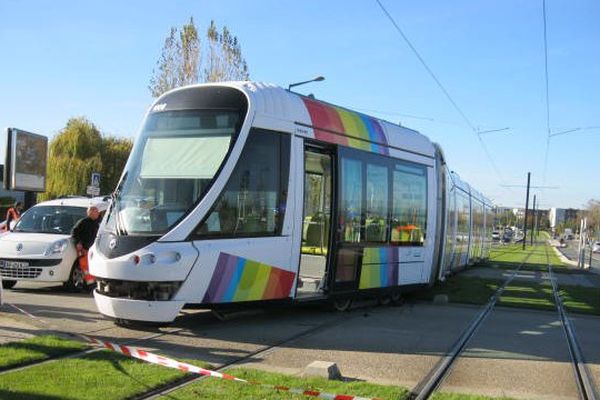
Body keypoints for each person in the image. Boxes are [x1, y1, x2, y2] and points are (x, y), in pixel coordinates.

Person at [71, 206, 101, 287]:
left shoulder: (98, 223)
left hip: (94, 250)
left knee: (92, 267)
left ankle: (92, 284)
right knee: (85, 267)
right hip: (84, 249)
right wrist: (77, 243)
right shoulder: (83, 222)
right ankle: (90, 284)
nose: (98, 213)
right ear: (90, 213)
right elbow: (74, 233)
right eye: (96, 211)